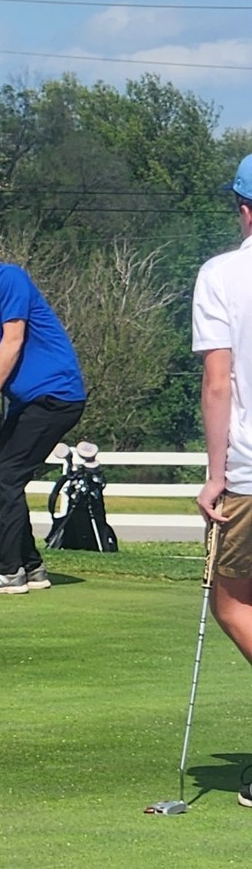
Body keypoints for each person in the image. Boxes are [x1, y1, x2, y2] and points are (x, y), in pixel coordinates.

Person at [0, 221, 87, 595]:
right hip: (28, 401)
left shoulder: (10, 279)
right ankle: (31, 566)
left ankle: (8, 571)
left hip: (56, 395)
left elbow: (13, 339)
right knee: (2, 479)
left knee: (7, 478)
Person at [192, 154, 252, 807]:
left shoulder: (223, 275)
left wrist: (214, 478)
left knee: (234, 604)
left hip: (249, 472)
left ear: (243, 207)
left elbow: (219, 382)